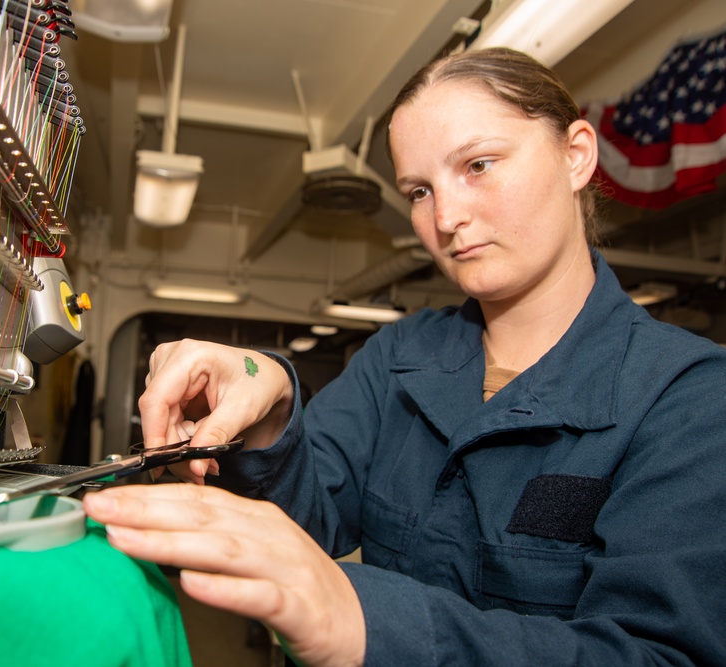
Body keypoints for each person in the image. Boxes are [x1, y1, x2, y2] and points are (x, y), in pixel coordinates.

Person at [83, 47, 726, 666]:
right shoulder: (399, 355)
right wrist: (272, 400)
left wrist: (359, 619)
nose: (445, 217)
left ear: (576, 155)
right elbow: (309, 520)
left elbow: (659, 654)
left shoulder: (689, 399)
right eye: (418, 190)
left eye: (478, 165)